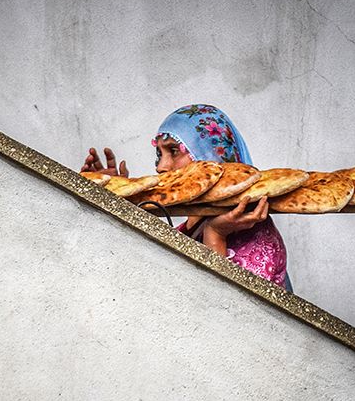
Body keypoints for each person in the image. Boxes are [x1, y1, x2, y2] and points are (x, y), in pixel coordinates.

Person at [82, 104, 292, 291]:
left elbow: (226, 311)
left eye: (174, 151)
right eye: (159, 154)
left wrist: (216, 235)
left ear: (212, 156)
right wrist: (116, 201)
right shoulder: (188, 230)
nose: (161, 167)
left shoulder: (260, 240)